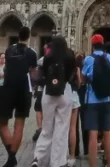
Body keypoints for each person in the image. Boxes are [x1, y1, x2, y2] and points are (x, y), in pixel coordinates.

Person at [32, 35, 76, 167]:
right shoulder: (69, 57)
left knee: (46, 128)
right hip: (65, 91)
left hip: (49, 92)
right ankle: (57, 162)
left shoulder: (47, 57)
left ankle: (38, 158)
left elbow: (43, 74)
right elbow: (72, 75)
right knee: (61, 129)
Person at [0, 26, 37, 167]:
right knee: (19, 124)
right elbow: (33, 74)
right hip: (24, 89)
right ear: (29, 36)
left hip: (8, 87)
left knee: (2, 123)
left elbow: (8, 67)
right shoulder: (32, 53)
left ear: (18, 35)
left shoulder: (9, 50)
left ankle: (11, 156)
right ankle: (12, 156)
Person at [82, 34, 110, 167]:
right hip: (107, 99)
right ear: (103, 43)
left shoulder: (88, 59)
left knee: (93, 135)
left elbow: (84, 80)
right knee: (107, 133)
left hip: (92, 100)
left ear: (92, 44)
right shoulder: (109, 58)